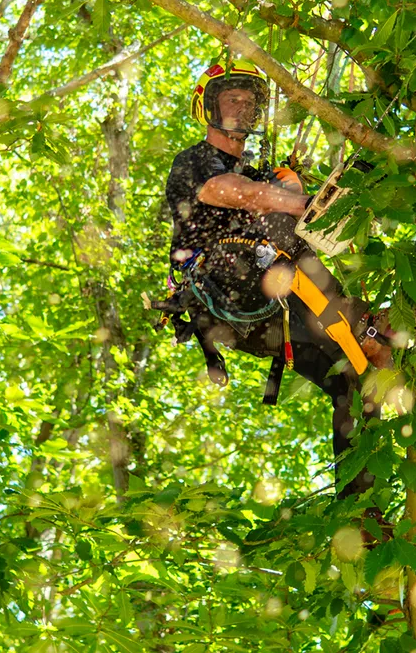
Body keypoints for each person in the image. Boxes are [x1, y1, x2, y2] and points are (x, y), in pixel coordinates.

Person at [162, 59, 391, 496]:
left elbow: (256, 189)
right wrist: (298, 202)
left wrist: (284, 186)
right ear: (208, 108)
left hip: (269, 312)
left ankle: (361, 510)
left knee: (352, 385)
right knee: (274, 215)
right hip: (224, 280)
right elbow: (228, 192)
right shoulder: (194, 161)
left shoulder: (258, 175)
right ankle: (364, 325)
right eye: (232, 98)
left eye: (250, 101)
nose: (242, 107)